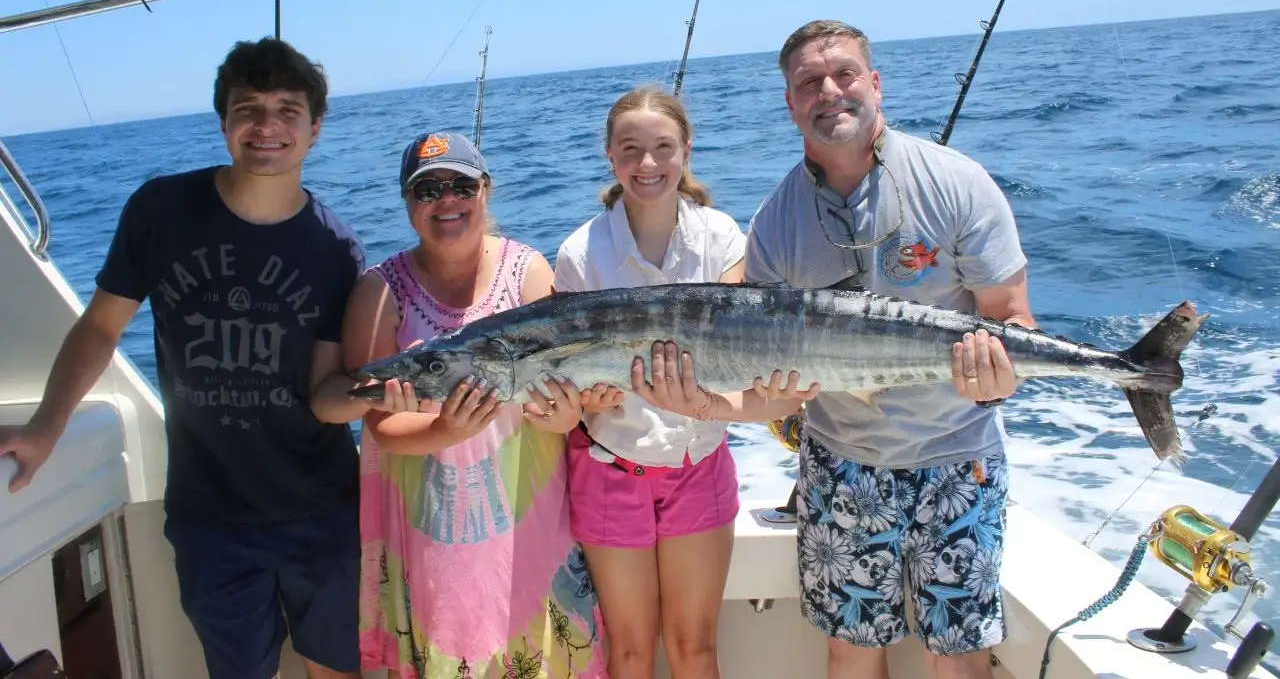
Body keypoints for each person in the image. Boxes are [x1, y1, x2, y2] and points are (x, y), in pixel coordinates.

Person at [628, 20, 1035, 679]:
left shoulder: (958, 182)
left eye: (844, 74)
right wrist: (704, 401)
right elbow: (778, 387)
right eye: (809, 82)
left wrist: (995, 379)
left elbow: (1012, 320)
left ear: (875, 83)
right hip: (842, 464)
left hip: (959, 459)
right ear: (791, 103)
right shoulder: (777, 222)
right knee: (848, 652)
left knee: (958, 655)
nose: (830, 91)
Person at [0, 38, 367, 679]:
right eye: (246, 107)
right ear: (222, 122)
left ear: (316, 128)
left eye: (288, 108)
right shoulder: (161, 210)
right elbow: (101, 328)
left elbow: (324, 389)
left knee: (333, 669)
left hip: (323, 509)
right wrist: (43, 430)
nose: (267, 125)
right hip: (210, 516)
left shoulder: (336, 248)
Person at [309, 130, 609, 679]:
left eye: (460, 185)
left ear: (485, 191)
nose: (446, 200)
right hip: (436, 533)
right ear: (406, 203)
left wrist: (567, 414)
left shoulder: (528, 270)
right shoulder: (380, 291)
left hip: (531, 514)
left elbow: (563, 405)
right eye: (427, 191)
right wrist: (445, 429)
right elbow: (378, 424)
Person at [552, 84, 799, 679]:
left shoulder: (720, 237)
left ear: (686, 151)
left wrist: (724, 401)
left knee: (695, 649)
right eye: (630, 148)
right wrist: (582, 398)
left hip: (699, 468)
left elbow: (743, 365)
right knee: (630, 654)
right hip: (610, 470)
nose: (647, 163)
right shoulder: (579, 255)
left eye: (663, 147)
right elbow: (566, 387)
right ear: (609, 156)